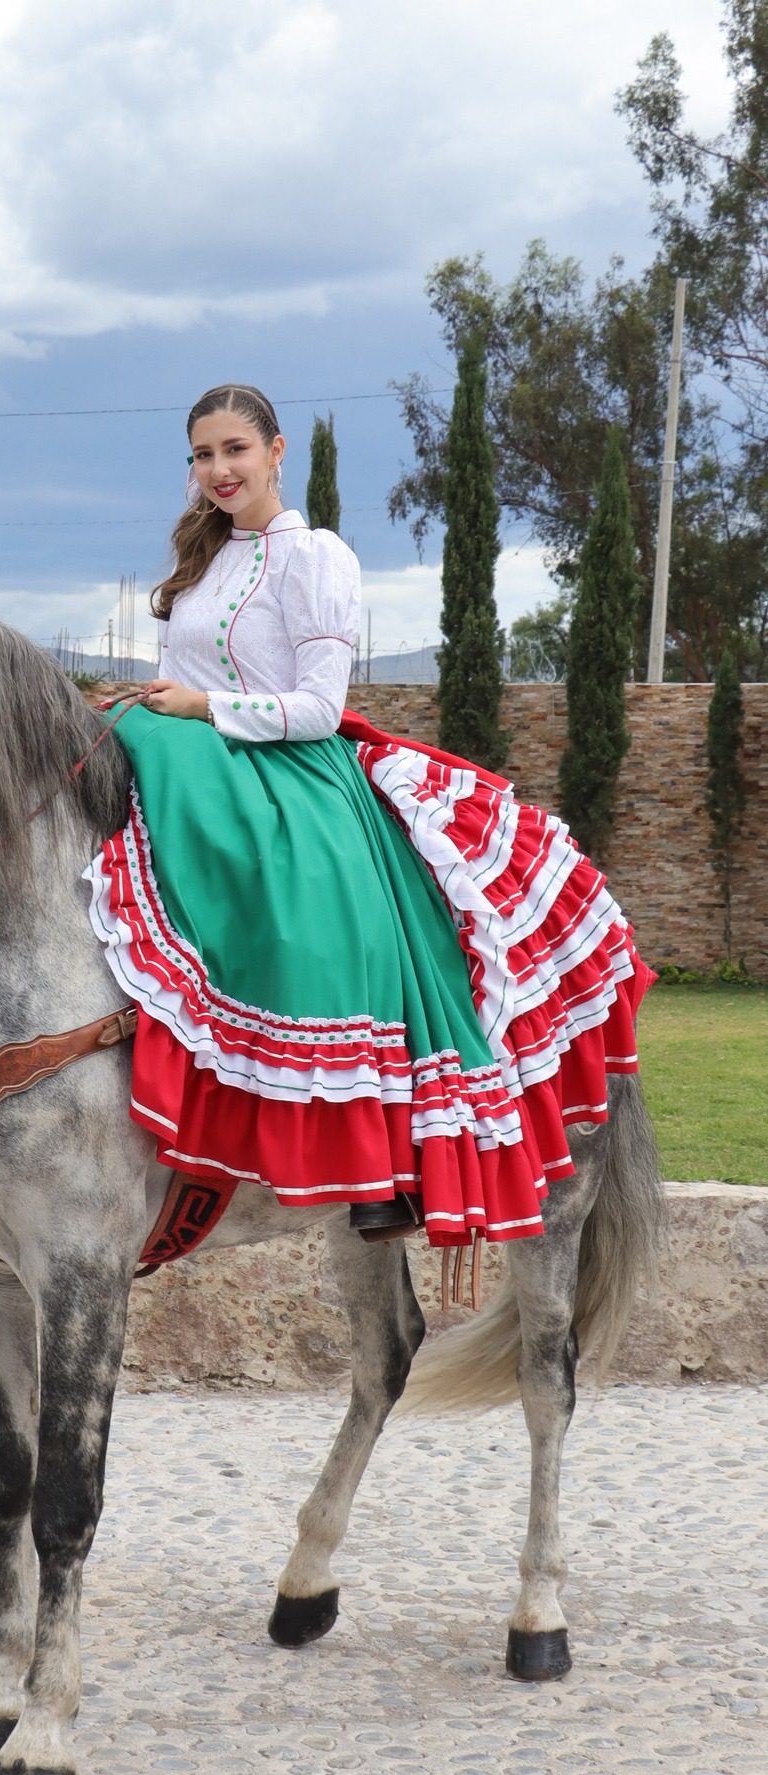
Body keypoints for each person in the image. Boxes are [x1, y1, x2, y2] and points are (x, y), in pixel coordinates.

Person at [85, 383, 653, 1250]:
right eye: (202, 455)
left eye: (235, 449)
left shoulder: (316, 557)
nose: (218, 469)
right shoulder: (202, 562)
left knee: (325, 924)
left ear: (276, 453)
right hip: (192, 764)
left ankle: (386, 1156)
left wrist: (203, 706)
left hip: (294, 769)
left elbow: (316, 707)